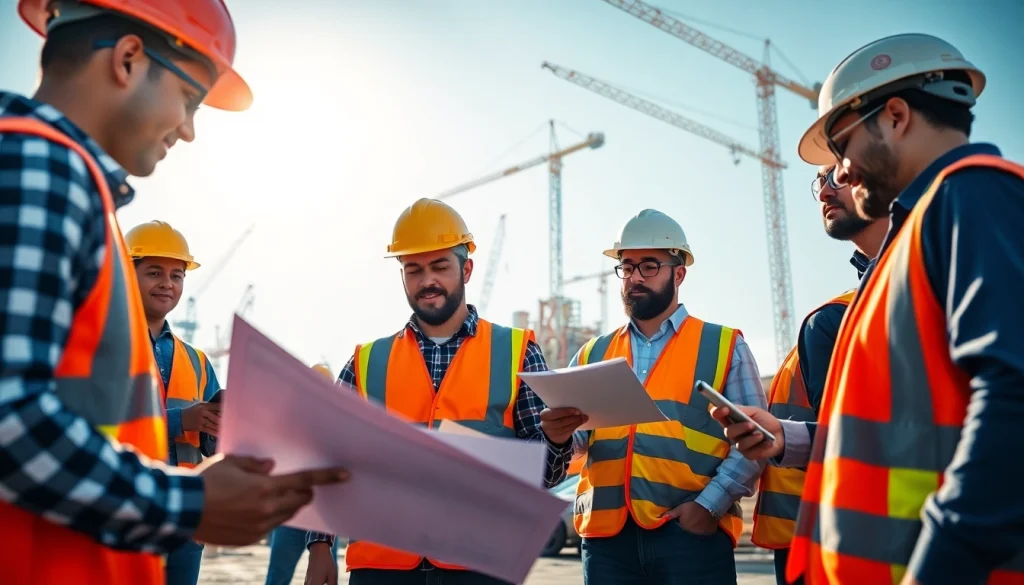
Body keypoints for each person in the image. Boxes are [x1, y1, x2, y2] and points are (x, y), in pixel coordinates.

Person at [0, 1, 347, 583]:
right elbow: (10, 418)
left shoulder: (60, 179)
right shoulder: (43, 169)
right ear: (129, 59)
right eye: (190, 100)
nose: (188, 130)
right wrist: (189, 502)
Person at [712, 33, 1024, 585]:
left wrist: (943, 564)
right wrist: (791, 439)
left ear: (897, 116)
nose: (842, 173)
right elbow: (907, 432)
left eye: (844, 147)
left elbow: (1013, 401)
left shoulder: (974, 197)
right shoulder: (915, 236)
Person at [304, 198, 587, 585]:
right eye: (413, 270)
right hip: (382, 567)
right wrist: (320, 546)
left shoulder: (517, 352)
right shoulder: (366, 361)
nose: (426, 281)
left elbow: (546, 477)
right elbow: (328, 457)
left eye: (439, 267)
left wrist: (556, 441)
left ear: (466, 269)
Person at [568, 208, 769, 585]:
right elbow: (579, 441)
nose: (634, 278)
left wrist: (708, 507)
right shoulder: (593, 353)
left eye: (648, 266)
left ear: (679, 273)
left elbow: (754, 442)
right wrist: (559, 431)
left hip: (690, 539)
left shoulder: (725, 346)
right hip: (607, 542)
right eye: (627, 267)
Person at [748, 166, 888, 585]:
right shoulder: (839, 313)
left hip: (853, 542)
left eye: (839, 173)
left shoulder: (835, 320)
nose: (825, 190)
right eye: (820, 180)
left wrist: (784, 438)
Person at [125, 220, 224, 585]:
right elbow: (97, 424)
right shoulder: (103, 346)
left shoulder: (197, 361)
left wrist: (218, 426)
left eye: (177, 275)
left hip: (184, 522)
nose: (167, 283)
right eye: (154, 272)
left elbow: (213, 447)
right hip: (122, 515)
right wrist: (184, 420)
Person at [263, 363, 340, 585]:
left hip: (323, 519)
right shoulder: (289, 422)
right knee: (278, 576)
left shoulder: (337, 426)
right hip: (291, 514)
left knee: (325, 577)